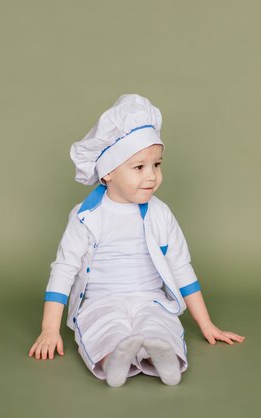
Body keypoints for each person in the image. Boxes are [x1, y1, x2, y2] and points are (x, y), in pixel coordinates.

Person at [28, 94, 244, 387]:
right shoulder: (86, 216)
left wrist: (206, 324)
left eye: (157, 165)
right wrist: (49, 329)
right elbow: (64, 269)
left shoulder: (161, 214)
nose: (152, 176)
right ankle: (114, 360)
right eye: (139, 167)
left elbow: (181, 266)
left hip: (150, 299)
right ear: (107, 173)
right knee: (103, 329)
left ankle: (163, 358)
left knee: (161, 325)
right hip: (100, 301)